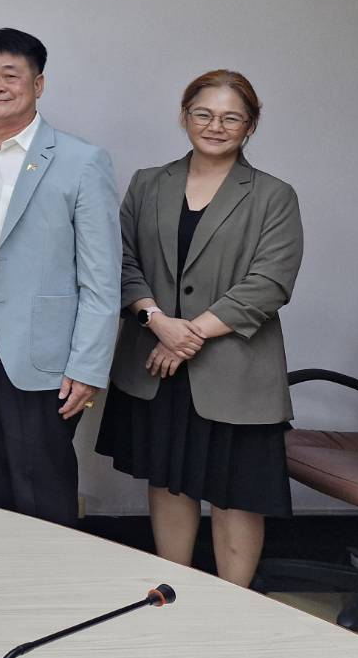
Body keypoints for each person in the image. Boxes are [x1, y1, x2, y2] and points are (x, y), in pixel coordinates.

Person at [97, 70, 303, 587]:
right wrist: (156, 320)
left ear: (250, 126)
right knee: (169, 480)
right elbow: (119, 260)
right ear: (184, 116)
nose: (215, 126)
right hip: (155, 364)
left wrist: (187, 336)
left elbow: (270, 283)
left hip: (235, 371)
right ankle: (176, 594)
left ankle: (234, 604)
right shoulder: (148, 182)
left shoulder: (273, 195)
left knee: (237, 494)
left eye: (232, 118)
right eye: (204, 114)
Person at [0, 28, 120, 526]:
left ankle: (53, 577)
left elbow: (102, 279)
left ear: (38, 84)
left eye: (10, 75)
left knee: (42, 488)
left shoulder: (81, 161)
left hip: (43, 353)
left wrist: (88, 366)